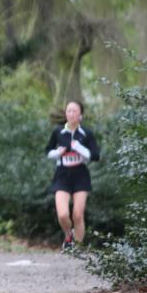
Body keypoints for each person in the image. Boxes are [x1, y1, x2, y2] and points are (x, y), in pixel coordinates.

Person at [45, 100, 100, 249]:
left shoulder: (86, 133)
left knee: (77, 214)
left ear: (80, 115)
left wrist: (79, 148)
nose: (71, 114)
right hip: (62, 174)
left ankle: (78, 247)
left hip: (80, 175)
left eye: (74, 111)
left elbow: (95, 155)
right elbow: (48, 151)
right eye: (68, 111)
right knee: (63, 214)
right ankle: (68, 235)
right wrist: (58, 152)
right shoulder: (58, 132)